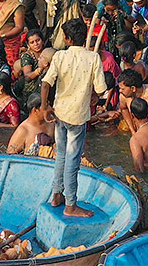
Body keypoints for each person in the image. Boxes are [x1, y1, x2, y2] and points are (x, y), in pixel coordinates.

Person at [41, 18, 107, 219]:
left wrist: (45, 107)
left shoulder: (60, 56)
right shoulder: (93, 58)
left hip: (60, 113)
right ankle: (70, 205)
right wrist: (92, 97)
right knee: (72, 160)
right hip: (78, 117)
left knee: (61, 155)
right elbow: (101, 90)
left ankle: (56, 195)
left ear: (68, 39)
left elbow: (46, 83)